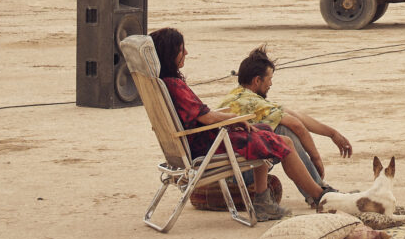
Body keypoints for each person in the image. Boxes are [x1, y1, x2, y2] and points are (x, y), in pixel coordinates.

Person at [148, 27, 331, 207]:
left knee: (265, 131)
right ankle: (318, 196)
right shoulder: (174, 85)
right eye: (181, 50)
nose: (186, 52)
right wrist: (234, 119)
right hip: (208, 148)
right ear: (169, 54)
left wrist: (233, 118)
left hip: (198, 144)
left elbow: (204, 115)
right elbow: (207, 118)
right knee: (282, 141)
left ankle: (266, 201)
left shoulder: (163, 84)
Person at [215, 46, 354, 188]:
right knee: (284, 131)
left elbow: (295, 115)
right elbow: (296, 125)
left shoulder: (239, 96)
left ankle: (318, 189)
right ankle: (319, 191)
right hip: (234, 174)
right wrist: (315, 158)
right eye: (269, 79)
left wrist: (332, 134)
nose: (271, 84)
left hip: (225, 168)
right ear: (257, 81)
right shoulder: (253, 103)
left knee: (281, 127)